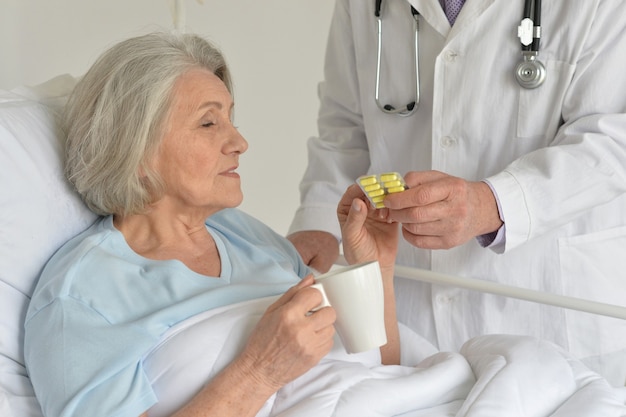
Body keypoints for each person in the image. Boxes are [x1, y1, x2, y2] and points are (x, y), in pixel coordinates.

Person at [23, 31, 400, 417]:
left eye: (230, 119)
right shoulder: (82, 298)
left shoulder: (247, 235)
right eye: (208, 123)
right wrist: (258, 372)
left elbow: (379, 373)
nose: (239, 141)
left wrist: (378, 267)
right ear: (134, 149)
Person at [287, 0, 626, 385]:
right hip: (412, 308)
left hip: (548, 303)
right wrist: (318, 221)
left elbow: (612, 135)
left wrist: (492, 204)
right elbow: (344, 127)